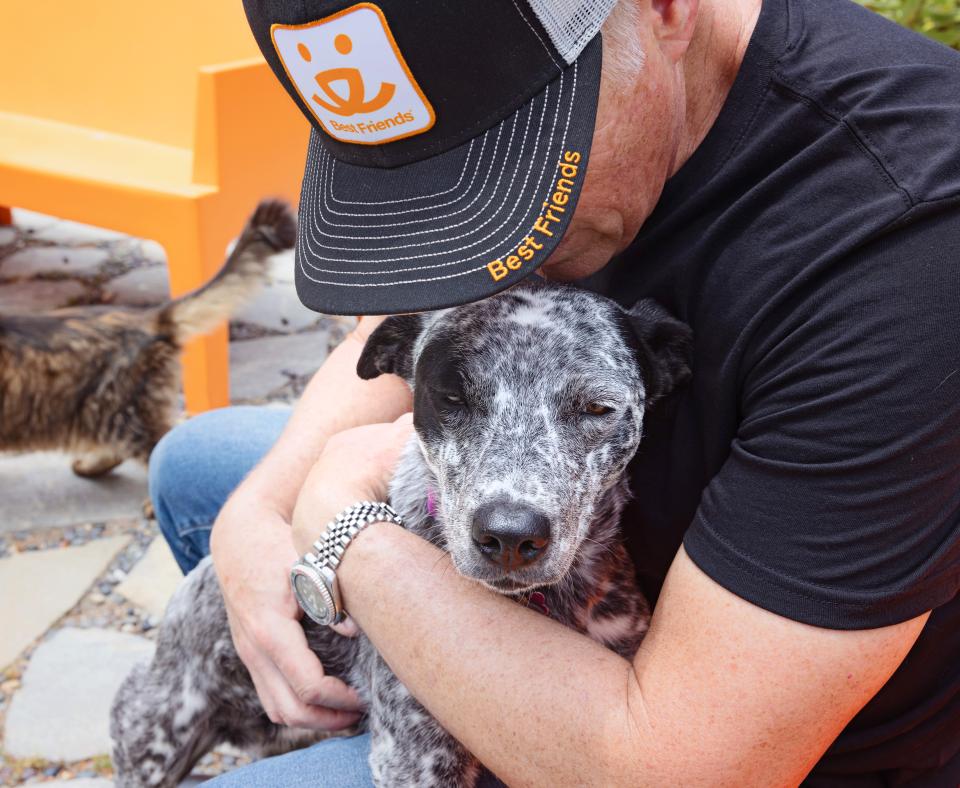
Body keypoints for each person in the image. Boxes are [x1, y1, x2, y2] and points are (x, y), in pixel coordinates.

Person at [150, 0, 960, 784]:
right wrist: (258, 519)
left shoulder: (906, 251)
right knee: (197, 472)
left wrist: (340, 531)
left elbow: (680, 771)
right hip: (569, 561)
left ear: (663, 9)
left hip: (713, 733)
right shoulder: (598, 90)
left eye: (505, 167)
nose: (478, 241)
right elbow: (403, 329)